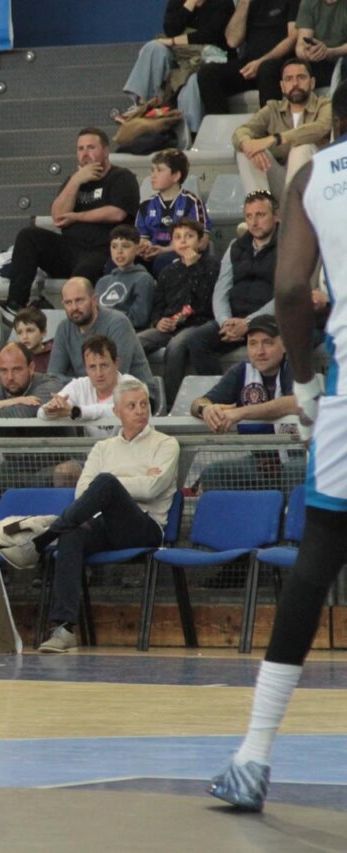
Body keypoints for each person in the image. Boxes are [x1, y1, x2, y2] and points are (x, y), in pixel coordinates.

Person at [207, 81, 347, 814]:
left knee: (319, 554)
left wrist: (305, 377)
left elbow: (290, 288)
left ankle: (254, 754)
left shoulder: (315, 175)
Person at [30, 378, 179, 653]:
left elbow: (151, 488)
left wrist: (114, 483)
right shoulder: (103, 448)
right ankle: (64, 629)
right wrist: (130, 480)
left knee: (107, 483)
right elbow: (81, 494)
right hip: (106, 524)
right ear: (116, 412)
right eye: (132, 406)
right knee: (73, 532)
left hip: (145, 525)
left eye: (144, 405)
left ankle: (43, 539)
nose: (140, 411)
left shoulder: (166, 444)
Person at [0, 128, 141, 314]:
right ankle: (15, 305)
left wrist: (77, 216)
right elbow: (58, 216)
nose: (85, 153)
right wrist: (75, 181)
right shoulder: (74, 180)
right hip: (70, 248)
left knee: (82, 274)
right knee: (28, 236)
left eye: (91, 147)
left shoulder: (122, 177)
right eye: (80, 149)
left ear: (105, 151)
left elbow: (117, 213)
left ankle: (77, 321)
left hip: (102, 249)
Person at [189, 314, 303, 491]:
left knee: (294, 470)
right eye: (253, 343)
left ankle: (290, 518)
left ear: (285, 345)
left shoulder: (296, 366)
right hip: (262, 464)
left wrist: (241, 412)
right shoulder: (241, 370)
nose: (260, 351)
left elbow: (294, 402)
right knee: (214, 473)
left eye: (268, 343)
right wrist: (206, 409)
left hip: (302, 457)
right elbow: (197, 403)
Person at [186, 189, 281, 381]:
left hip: (268, 319)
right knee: (196, 340)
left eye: (261, 215)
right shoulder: (236, 246)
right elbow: (221, 289)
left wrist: (248, 323)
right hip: (232, 320)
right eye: (249, 216)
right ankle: (219, 395)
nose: (254, 222)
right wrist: (225, 322)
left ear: (276, 216)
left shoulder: (288, 246)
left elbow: (284, 297)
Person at [138, 217, 220, 407]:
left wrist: (192, 269)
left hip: (199, 324)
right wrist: (159, 321)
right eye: (178, 237)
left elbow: (204, 302)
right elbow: (158, 304)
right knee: (137, 341)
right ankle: (143, 395)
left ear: (200, 241)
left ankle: (170, 403)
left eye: (189, 236)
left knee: (176, 346)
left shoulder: (211, 266)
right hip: (169, 326)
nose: (183, 241)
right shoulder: (168, 271)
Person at [189, 0, 296, 132]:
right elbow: (232, 41)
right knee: (208, 73)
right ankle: (222, 133)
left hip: (279, 63)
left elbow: (292, 38)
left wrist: (261, 61)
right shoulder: (249, 4)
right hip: (250, 63)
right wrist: (244, 4)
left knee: (267, 69)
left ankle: (269, 133)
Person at [232, 58, 331, 200]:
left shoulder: (325, 105)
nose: (295, 84)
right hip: (282, 183)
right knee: (247, 152)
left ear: (312, 82)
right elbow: (241, 131)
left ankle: (292, 214)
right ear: (282, 86)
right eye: (289, 79)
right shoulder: (273, 109)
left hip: (317, 185)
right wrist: (247, 144)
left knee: (301, 148)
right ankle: (260, 212)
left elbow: (321, 127)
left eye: (301, 77)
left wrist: (275, 139)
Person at [120, 0, 232, 109]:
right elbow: (171, 29)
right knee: (153, 47)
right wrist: (191, 2)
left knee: (192, 83)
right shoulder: (177, 2)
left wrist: (172, 41)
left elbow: (210, 34)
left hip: (206, 57)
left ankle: (190, 125)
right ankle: (142, 105)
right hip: (178, 53)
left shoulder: (222, 3)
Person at [48, 277, 154, 386]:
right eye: (68, 302)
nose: (74, 307)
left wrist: (76, 387)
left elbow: (115, 375)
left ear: (94, 299)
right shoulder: (64, 328)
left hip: (133, 394)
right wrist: (79, 389)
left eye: (79, 300)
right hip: (86, 396)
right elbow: (53, 377)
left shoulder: (118, 323)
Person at [38, 335, 138, 437]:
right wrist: (52, 409)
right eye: (92, 367)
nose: (99, 373)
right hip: (94, 451)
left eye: (104, 365)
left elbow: (119, 410)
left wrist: (76, 411)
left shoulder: (131, 384)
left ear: (116, 363)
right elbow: (41, 413)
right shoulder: (79, 385)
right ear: (86, 368)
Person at [134, 148, 211, 275]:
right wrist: (145, 246)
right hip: (154, 254)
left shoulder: (192, 202)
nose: (153, 175)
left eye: (159, 170)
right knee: (125, 261)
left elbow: (201, 243)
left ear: (176, 175)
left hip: (179, 254)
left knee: (162, 261)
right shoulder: (146, 205)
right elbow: (142, 237)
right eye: (152, 170)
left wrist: (164, 250)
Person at [95, 225, 156, 330]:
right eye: (114, 246)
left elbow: (139, 319)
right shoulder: (102, 281)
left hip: (126, 332)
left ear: (137, 249)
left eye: (126, 246)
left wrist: (107, 323)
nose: (119, 251)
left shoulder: (143, 279)